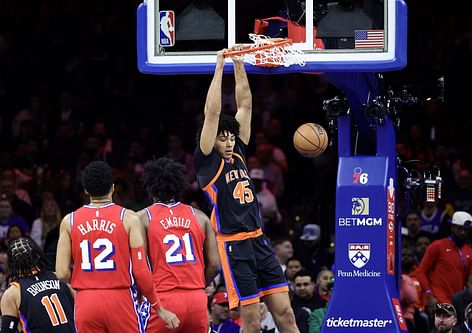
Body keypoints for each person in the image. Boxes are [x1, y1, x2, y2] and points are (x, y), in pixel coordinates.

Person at [194, 50, 298, 333]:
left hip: (259, 240)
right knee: (251, 322)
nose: (228, 143)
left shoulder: (237, 153)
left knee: (286, 314)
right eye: (222, 138)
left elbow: (246, 105)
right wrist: (220, 66)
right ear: (210, 140)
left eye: (230, 138)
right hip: (234, 245)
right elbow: (212, 113)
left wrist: (239, 63)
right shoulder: (207, 162)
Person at [55, 161, 179, 332]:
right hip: (120, 298)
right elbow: (141, 271)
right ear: (113, 188)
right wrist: (158, 308)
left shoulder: (69, 221)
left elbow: (61, 273)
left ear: (85, 190)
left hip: (86, 300)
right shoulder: (128, 218)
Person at [138, 157, 220, 332]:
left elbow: (140, 266)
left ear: (150, 187)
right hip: (197, 300)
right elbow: (215, 264)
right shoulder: (200, 217)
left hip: (162, 300)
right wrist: (198, 286)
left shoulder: (142, 218)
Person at [0, 237, 75, 332]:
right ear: (37, 255)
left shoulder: (12, 293)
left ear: (11, 263)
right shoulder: (58, 276)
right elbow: (81, 305)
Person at [417, 211, 472, 311]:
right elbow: (421, 271)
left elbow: (470, 281)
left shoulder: (470, 252)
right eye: (459, 229)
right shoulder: (437, 246)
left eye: (466, 230)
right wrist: (429, 295)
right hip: (437, 300)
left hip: (457, 303)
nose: (462, 233)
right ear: (452, 227)